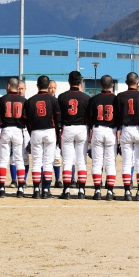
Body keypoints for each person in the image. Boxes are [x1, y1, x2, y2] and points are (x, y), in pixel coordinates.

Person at [23, 75, 61, 199]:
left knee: (37, 162)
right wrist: (57, 135)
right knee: (48, 162)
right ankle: (46, 189)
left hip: (36, 132)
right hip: (50, 131)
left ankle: (36, 190)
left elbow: (27, 120)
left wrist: (31, 133)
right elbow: (58, 119)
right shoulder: (53, 100)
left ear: (37, 85)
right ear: (48, 86)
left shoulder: (30, 101)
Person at [57, 71, 90, 199]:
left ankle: (66, 191)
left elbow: (59, 117)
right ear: (81, 81)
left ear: (69, 81)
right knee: (81, 160)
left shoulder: (62, 97)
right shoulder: (86, 98)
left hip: (67, 128)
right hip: (82, 128)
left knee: (67, 160)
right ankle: (81, 190)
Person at [116, 72, 139, 201]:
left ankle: (127, 191)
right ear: (137, 82)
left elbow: (117, 115)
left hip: (126, 129)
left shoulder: (120, 96)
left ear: (126, 82)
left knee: (127, 162)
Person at [86, 75, 118, 201]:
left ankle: (97, 191)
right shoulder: (116, 99)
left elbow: (89, 118)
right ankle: (109, 191)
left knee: (97, 162)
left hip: (97, 130)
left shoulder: (94, 99)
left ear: (101, 85)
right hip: (111, 131)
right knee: (110, 162)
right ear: (112, 85)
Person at [0, 77, 27, 198]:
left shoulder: (2, 99)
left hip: (6, 129)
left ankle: (2, 188)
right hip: (18, 130)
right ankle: (20, 188)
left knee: (3, 159)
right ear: (17, 86)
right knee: (19, 159)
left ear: (8, 86)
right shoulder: (23, 100)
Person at [48, 80, 64, 188]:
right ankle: (45, 179)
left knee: (57, 156)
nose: (52, 90)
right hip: (47, 130)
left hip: (56, 131)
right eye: (50, 87)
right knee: (46, 157)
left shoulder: (58, 101)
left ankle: (58, 179)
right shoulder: (45, 100)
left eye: (54, 87)